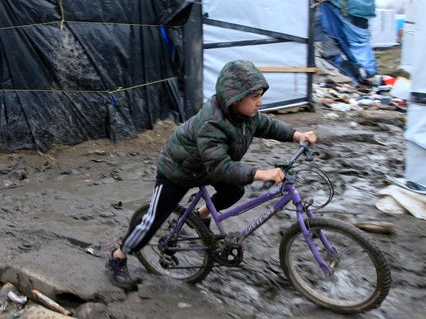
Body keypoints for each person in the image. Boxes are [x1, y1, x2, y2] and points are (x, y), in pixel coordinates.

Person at [106, 59, 317, 289]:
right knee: (152, 220)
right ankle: (118, 257)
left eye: (260, 95)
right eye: (254, 97)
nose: (260, 102)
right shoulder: (212, 124)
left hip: (207, 166)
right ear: (235, 98)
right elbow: (221, 167)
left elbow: (267, 126)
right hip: (178, 170)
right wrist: (261, 173)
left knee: (234, 190)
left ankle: (201, 215)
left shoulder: (245, 115)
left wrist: (297, 135)